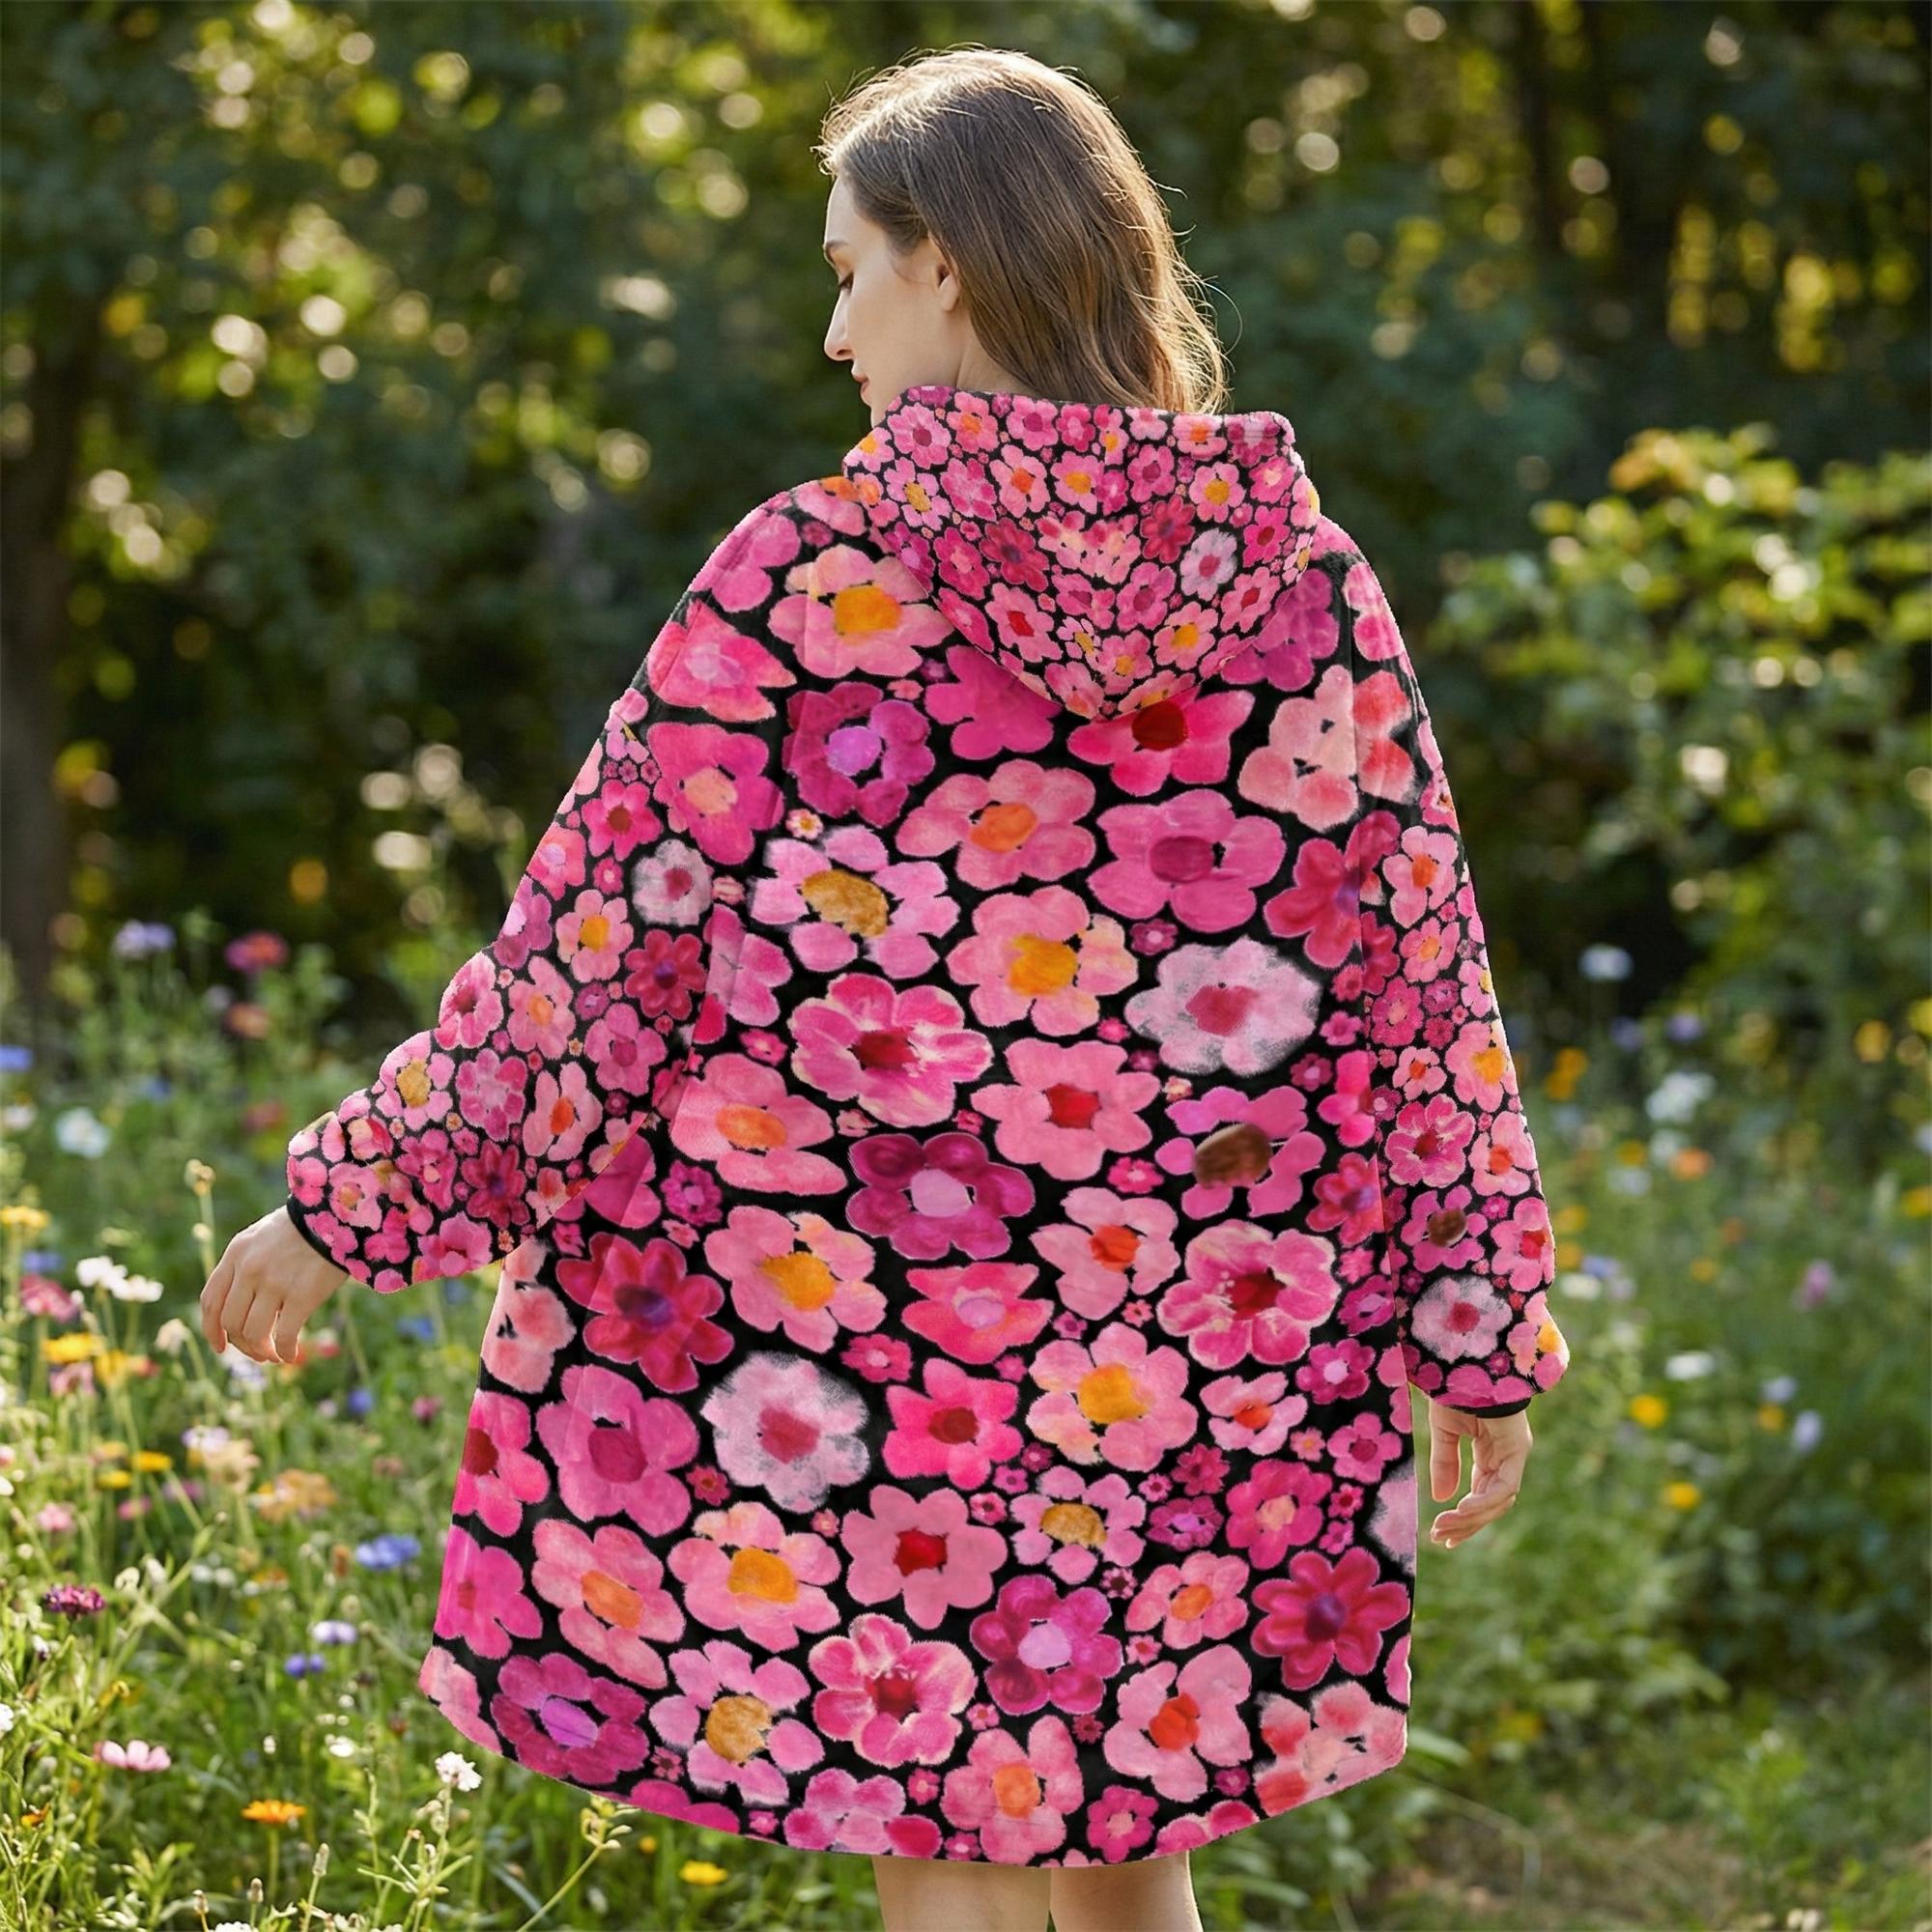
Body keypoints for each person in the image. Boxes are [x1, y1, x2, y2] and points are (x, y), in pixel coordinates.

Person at [202, 45, 1570, 1932]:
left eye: (849, 270)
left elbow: (594, 965)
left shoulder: (813, 580)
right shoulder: (1297, 588)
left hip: (874, 1353)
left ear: (947, 262)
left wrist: (351, 1205)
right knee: (1115, 1852)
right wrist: (1476, 1312)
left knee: (939, 1841)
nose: (835, 330)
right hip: (1177, 1352)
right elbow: (1413, 989)